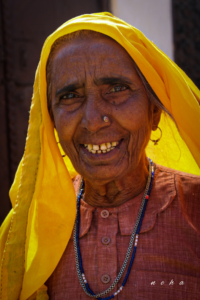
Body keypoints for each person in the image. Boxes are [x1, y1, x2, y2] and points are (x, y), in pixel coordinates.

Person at [0, 12, 200, 300]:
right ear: (51, 123)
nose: (93, 120)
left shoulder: (194, 209)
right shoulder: (26, 234)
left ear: (153, 112)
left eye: (117, 89)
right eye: (70, 96)